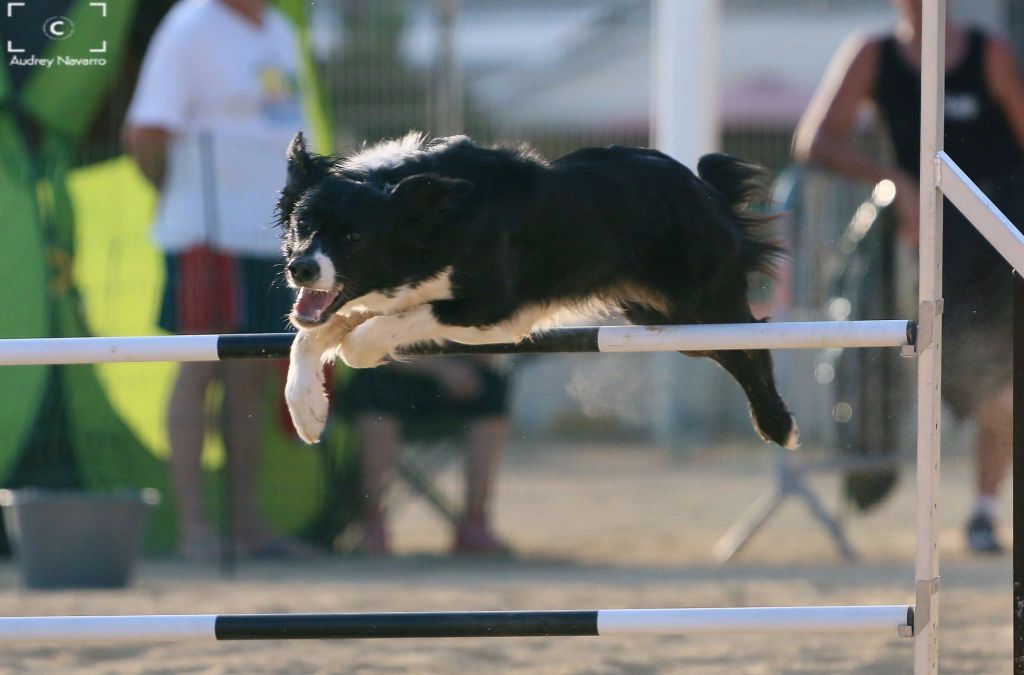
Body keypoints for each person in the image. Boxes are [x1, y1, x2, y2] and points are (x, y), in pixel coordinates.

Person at [794, 0, 1024, 553]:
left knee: (1004, 390)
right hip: (929, 252)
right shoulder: (873, 55)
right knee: (958, 384)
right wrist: (894, 181)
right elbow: (815, 141)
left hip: (1003, 237)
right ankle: (919, 494)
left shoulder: (987, 53)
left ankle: (985, 511)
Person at [123, 0, 314, 560]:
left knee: (252, 376)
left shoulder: (279, 27)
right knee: (198, 368)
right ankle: (195, 533)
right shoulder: (192, 24)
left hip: (272, 238)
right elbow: (146, 133)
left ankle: (247, 526)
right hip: (207, 234)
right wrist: (180, 198)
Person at [341, 356, 511, 555]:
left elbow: (491, 351)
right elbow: (374, 349)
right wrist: (439, 368)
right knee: (374, 389)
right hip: (393, 377)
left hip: (455, 384)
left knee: (492, 387)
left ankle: (475, 521)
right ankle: (372, 521)